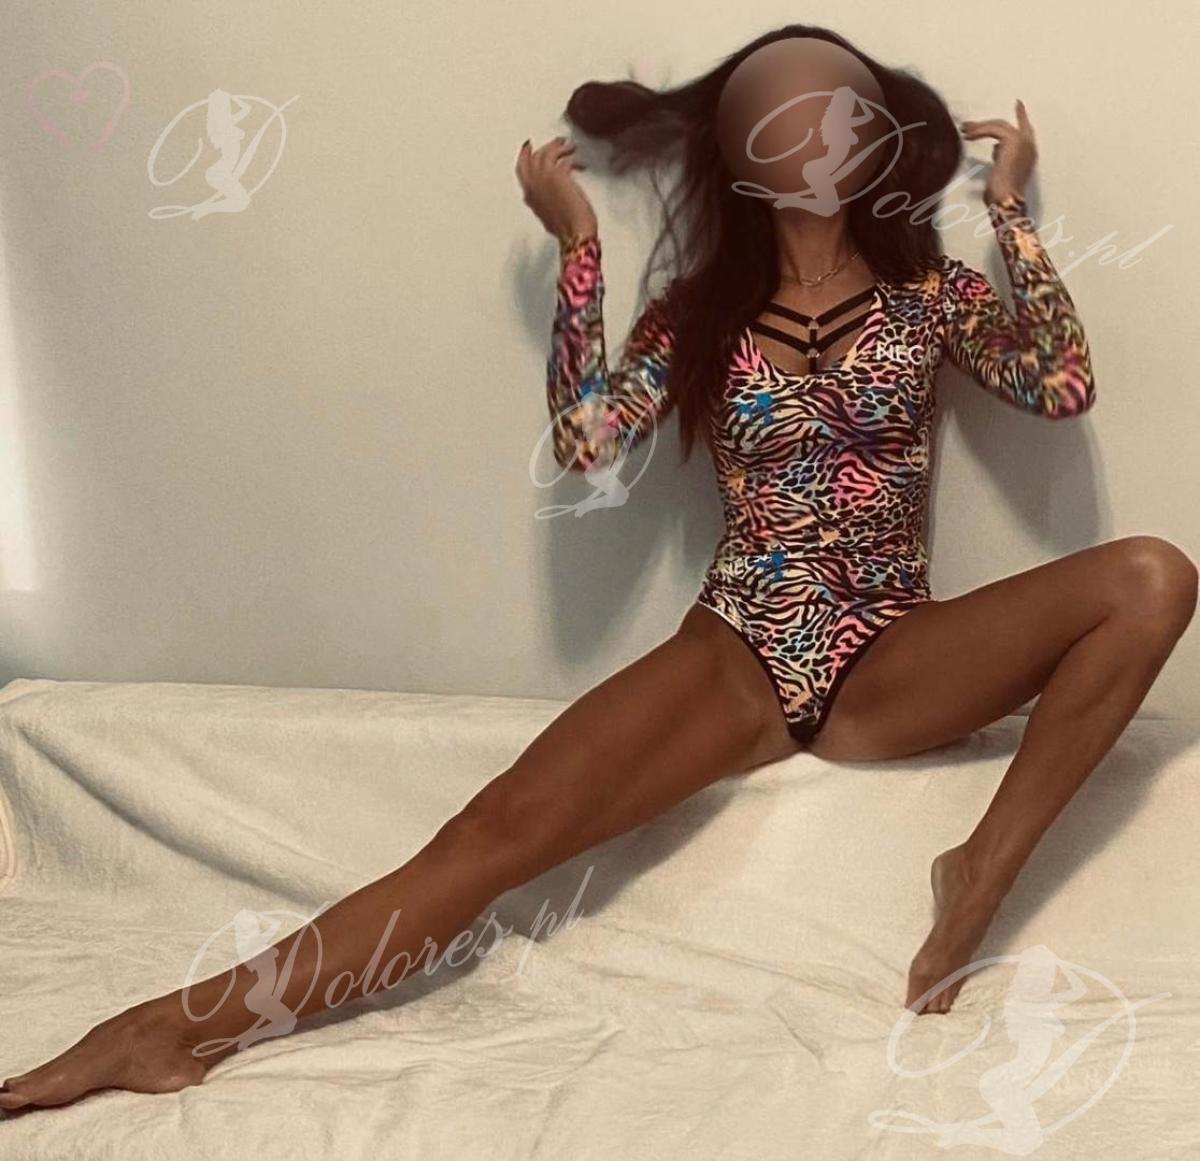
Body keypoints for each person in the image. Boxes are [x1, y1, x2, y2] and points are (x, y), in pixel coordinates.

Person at [1, 24, 1194, 1115]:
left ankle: (978, 873)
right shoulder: (700, 312)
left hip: (892, 647)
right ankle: (173, 1028)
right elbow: (586, 442)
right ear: (737, 150)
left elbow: (1062, 384)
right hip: (738, 646)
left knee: (1153, 576)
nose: (814, 132)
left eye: (841, 108)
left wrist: (1011, 213)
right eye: (782, 112)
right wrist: (580, 251)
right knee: (495, 829)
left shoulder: (932, 294)